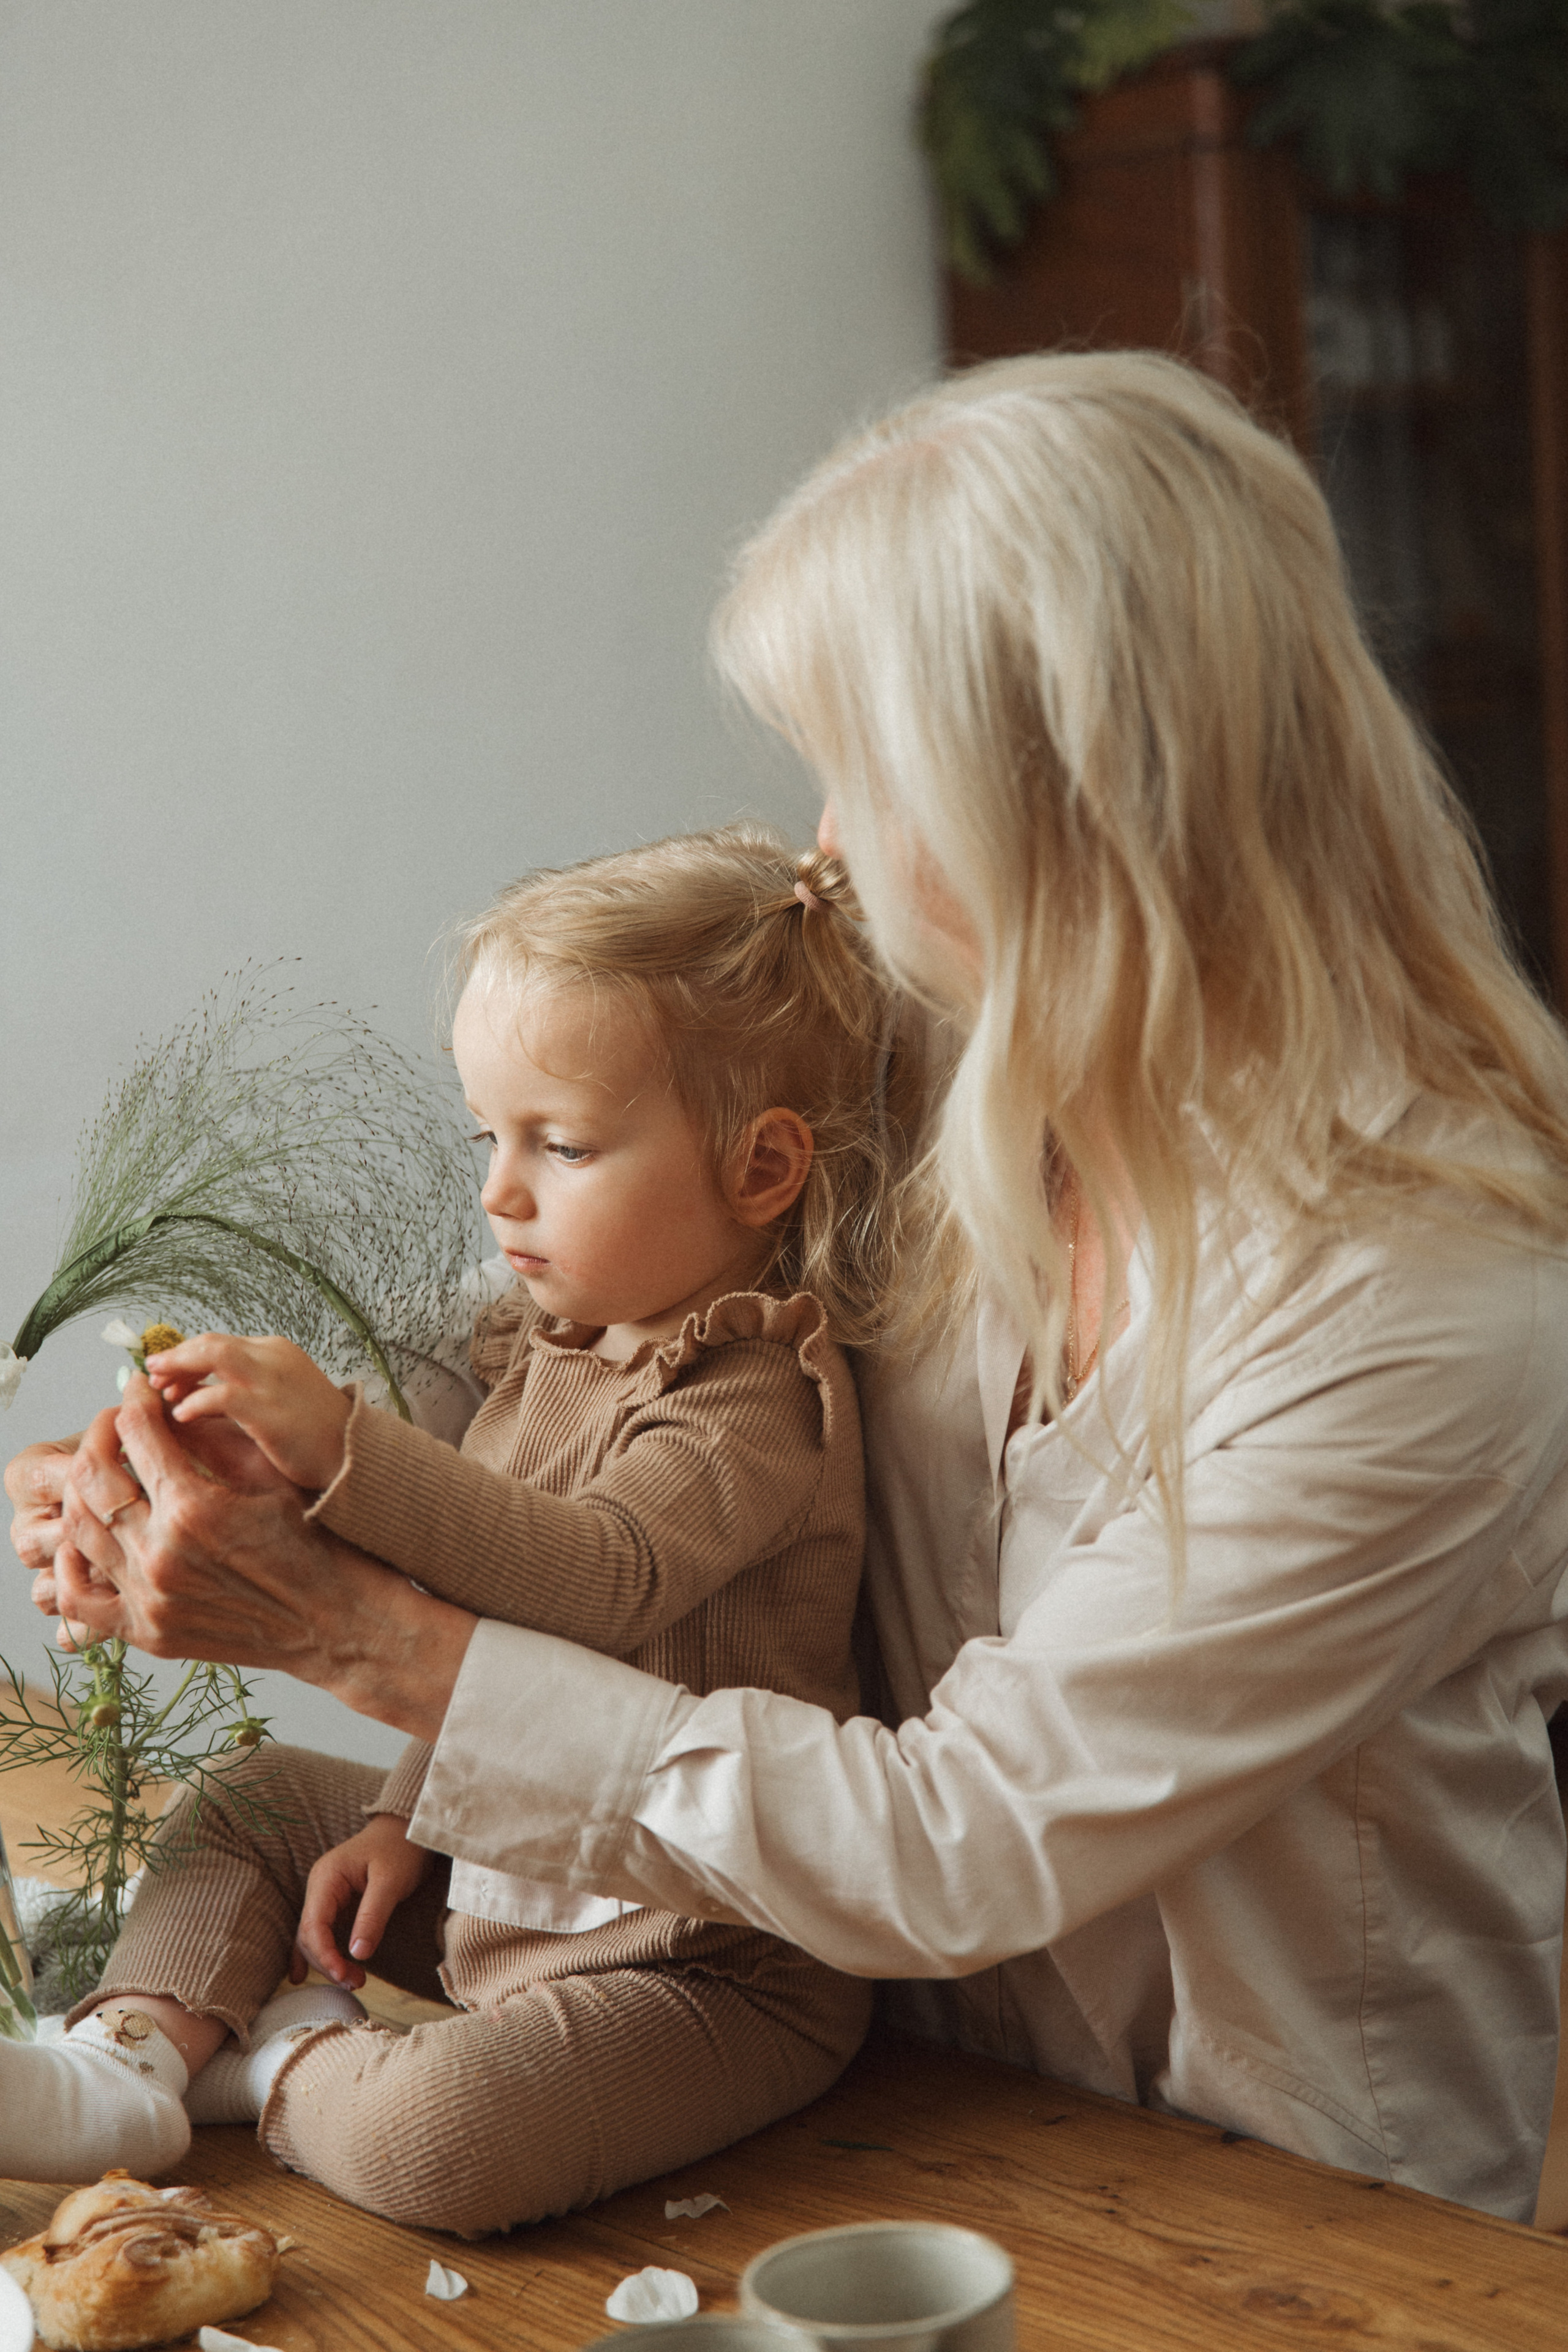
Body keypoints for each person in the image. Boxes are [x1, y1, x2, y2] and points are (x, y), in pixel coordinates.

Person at [14, 350, 1568, 2224]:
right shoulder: (912, 1075)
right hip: (886, 2108)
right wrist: (220, 1470)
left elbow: (966, 1836)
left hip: (1287, 2212)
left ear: (1066, 803)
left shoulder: (1425, 1304)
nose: (825, 843)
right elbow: (558, 1328)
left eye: (868, 773)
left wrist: (346, 1627)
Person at [0, 823, 911, 2234]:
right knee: (244, 1798)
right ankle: (126, 2060)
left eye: (562, 1143)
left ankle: (279, 2059)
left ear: (761, 1170)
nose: (498, 1188)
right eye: (487, 1133)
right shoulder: (534, 1343)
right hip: (501, 1869)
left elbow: (592, 1581)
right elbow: (479, 1646)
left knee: (448, 2142)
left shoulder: (756, 1400)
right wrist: (395, 1809)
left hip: (705, 1958)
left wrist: (345, 1442)